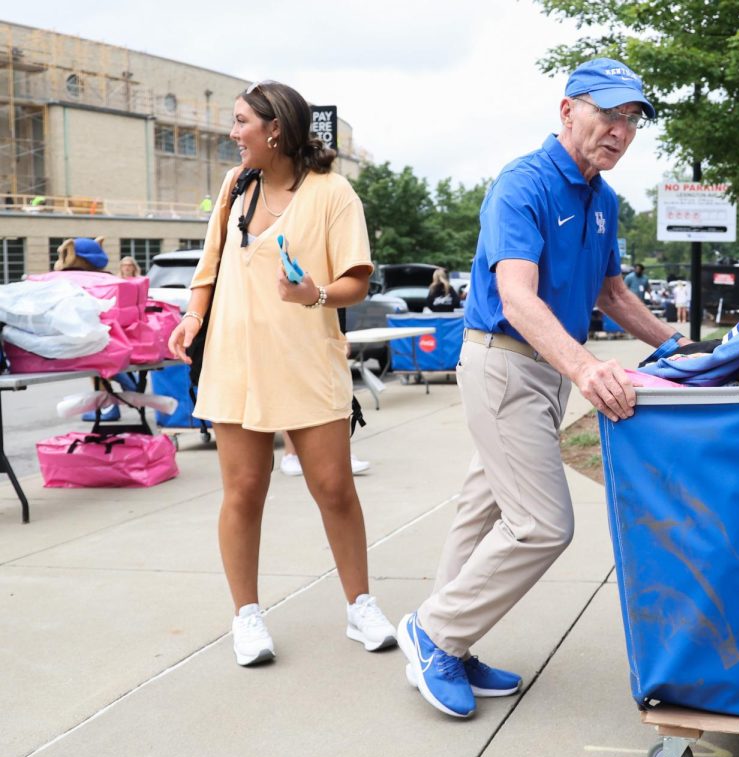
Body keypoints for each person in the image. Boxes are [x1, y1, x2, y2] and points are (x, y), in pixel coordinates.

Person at [397, 58, 692, 719]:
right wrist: (587, 369)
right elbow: (516, 296)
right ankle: (434, 632)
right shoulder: (522, 184)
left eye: (631, 121)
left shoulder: (603, 200)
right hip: (505, 362)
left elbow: (613, 292)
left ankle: (450, 637)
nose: (619, 131)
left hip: (541, 370)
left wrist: (678, 348)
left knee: (482, 509)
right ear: (567, 111)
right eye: (607, 114)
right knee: (541, 524)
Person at [167, 80, 395, 667]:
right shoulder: (235, 185)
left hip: (307, 364)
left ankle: (359, 605)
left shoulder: (333, 193)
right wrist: (193, 317)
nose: (232, 132)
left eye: (241, 121)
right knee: (244, 491)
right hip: (234, 364)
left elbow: (356, 281)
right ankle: (247, 616)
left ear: (275, 129)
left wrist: (313, 293)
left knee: (335, 491)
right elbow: (208, 267)